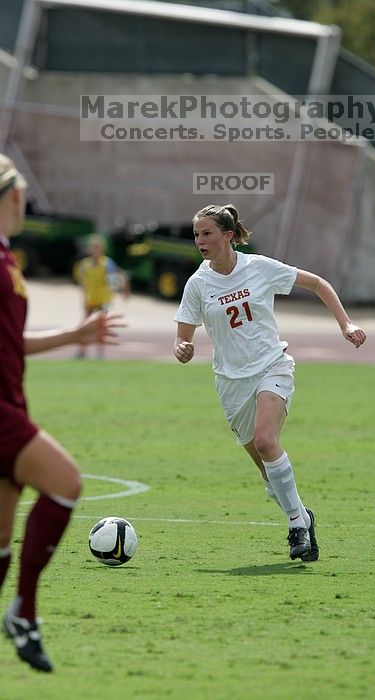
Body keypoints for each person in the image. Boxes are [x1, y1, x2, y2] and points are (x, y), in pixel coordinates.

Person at [174, 204, 366, 562]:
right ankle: (302, 513)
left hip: (271, 366)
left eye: (207, 233)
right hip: (230, 383)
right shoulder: (197, 284)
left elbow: (318, 284)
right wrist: (182, 347)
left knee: (266, 441)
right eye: (197, 234)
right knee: (268, 472)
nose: (200, 240)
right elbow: (183, 334)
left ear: (228, 236)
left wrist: (346, 324)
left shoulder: (258, 267)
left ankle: (296, 525)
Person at [0, 154, 125, 672]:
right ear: (12, 197)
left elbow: (10, 343)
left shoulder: (7, 260)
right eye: (23, 191)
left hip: (11, 401)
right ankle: (24, 613)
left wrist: (73, 336)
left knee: (0, 543)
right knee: (66, 482)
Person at [74, 234, 130, 358]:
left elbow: (120, 276)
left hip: (103, 299)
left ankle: (100, 352)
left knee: (101, 327)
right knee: (85, 325)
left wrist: (125, 290)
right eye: (93, 247)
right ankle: (82, 351)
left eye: (98, 247)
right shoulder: (85, 265)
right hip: (90, 299)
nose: (95, 250)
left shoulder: (107, 263)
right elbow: (82, 284)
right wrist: (83, 299)